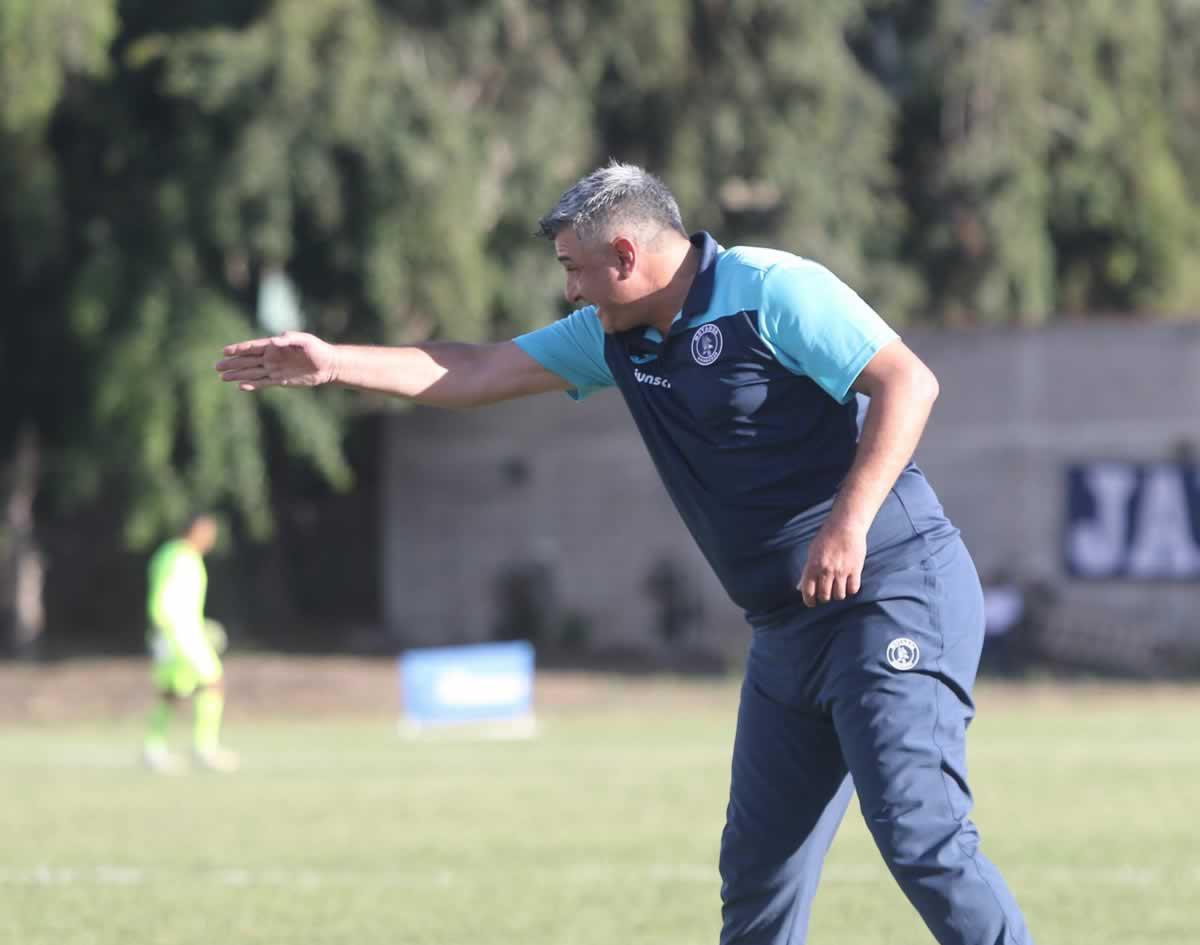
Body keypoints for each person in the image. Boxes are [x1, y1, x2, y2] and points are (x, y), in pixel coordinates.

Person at [215, 162, 1032, 944]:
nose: (570, 289)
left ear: (626, 255)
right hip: (786, 630)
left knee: (919, 833)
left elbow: (908, 382)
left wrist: (849, 523)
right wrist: (335, 363)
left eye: (575, 269)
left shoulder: (771, 289)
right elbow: (476, 369)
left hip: (892, 592)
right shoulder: (617, 338)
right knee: (759, 879)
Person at [143, 513, 239, 773]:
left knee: (171, 692)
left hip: (179, 631)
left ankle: (154, 748)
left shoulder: (173, 553)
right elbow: (164, 595)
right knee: (213, 682)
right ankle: (204, 748)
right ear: (195, 530)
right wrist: (165, 628)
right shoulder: (180, 557)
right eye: (208, 532)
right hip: (178, 633)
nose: (211, 539)